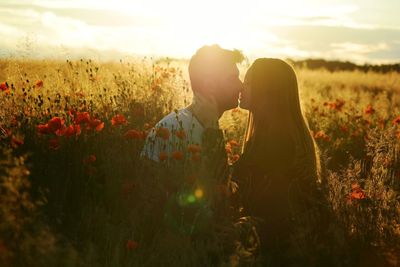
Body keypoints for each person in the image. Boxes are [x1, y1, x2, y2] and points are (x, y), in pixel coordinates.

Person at [234, 58, 323, 266]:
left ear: (266, 91)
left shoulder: (276, 143)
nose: (241, 87)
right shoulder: (275, 136)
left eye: (247, 83)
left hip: (270, 252)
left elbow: (266, 207)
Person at [141, 44, 244, 162]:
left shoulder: (201, 125)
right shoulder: (171, 130)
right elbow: (217, 178)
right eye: (233, 79)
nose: (240, 85)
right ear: (209, 86)